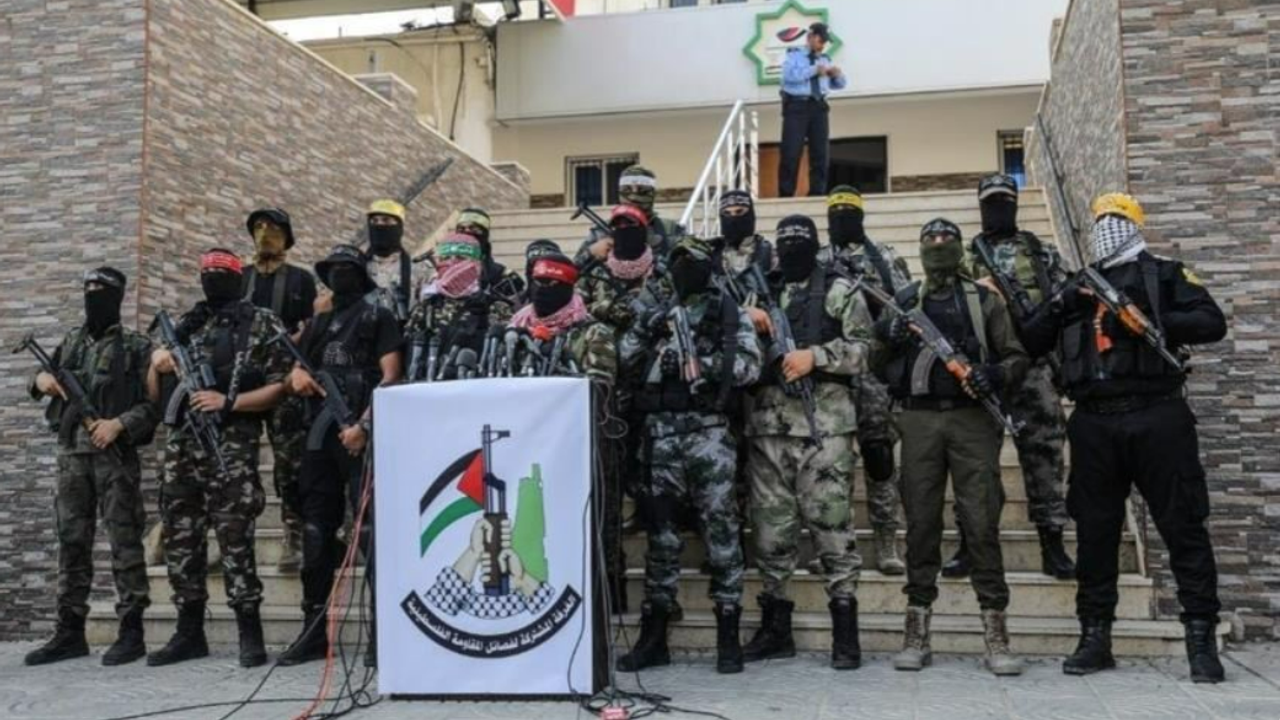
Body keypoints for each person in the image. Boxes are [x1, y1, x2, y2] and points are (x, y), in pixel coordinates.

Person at [1020, 193, 1227, 683]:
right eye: (1100, 221)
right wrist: (1060, 303)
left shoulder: (1165, 274)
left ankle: (1200, 639)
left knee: (1183, 526)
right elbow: (1031, 339)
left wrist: (1148, 321)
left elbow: (1211, 322)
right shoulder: (1079, 283)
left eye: (1116, 219)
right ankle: (1095, 637)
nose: (1106, 228)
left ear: (1134, 225)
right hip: (1094, 423)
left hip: (1158, 415)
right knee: (1096, 534)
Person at [872, 219, 1028, 676]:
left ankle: (996, 633)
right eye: (930, 240)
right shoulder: (905, 300)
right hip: (918, 421)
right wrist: (890, 338)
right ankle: (916, 631)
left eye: (947, 240)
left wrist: (993, 375)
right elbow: (874, 361)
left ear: (960, 247)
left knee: (981, 522)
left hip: (972, 421)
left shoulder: (983, 300)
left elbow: (1016, 356)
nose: (938, 246)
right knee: (921, 523)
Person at [617, 236, 762, 674]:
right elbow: (625, 359)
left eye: (692, 262)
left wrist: (699, 362)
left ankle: (727, 633)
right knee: (661, 537)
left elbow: (750, 366)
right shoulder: (657, 309)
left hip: (708, 434)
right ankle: (655, 635)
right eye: (677, 261)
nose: (683, 269)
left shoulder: (728, 312)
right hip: (660, 436)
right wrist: (649, 328)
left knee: (721, 531)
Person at [146, 248, 290, 668]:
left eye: (221, 272)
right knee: (180, 537)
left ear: (238, 277)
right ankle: (189, 631)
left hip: (232, 446)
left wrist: (229, 402)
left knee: (235, 536)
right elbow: (155, 399)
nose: (212, 278)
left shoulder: (261, 322)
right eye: (206, 272)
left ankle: (249, 630)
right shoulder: (186, 325)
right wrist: (156, 365)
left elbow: (282, 386)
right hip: (181, 449)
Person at [741, 215, 871, 671]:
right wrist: (745, 321)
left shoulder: (839, 290)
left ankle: (845, 633)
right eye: (784, 241)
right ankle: (776, 630)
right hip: (769, 429)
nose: (791, 248)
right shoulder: (760, 292)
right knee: (771, 534)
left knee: (832, 530)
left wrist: (814, 356)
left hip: (824, 429)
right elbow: (732, 347)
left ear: (815, 245)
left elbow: (865, 350)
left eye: (800, 241)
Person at [23, 268, 158, 667]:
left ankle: (131, 631)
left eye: (100, 289)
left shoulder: (136, 346)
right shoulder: (71, 342)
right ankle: (69, 632)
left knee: (124, 541)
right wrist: (40, 381)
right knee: (71, 541)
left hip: (114, 456)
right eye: (88, 289)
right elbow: (43, 377)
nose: (92, 295)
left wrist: (119, 424)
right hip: (72, 456)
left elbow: (154, 405)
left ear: (117, 296)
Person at [277, 245, 403, 667]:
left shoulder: (377, 317)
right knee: (315, 532)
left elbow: (391, 378)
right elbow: (292, 369)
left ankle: (383, 634)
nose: (339, 276)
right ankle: (314, 631)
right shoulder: (318, 324)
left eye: (347, 269)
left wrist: (363, 425)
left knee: (369, 533)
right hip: (319, 440)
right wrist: (296, 375)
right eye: (333, 270)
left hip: (360, 436)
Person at [949, 174, 1074, 580]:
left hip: (1034, 368)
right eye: (991, 201)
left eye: (1004, 200)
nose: (998, 208)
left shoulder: (1041, 252)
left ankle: (1052, 544)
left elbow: (1067, 302)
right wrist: (976, 291)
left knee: (1044, 455)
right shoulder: (965, 257)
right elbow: (944, 306)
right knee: (974, 463)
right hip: (986, 371)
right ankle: (971, 543)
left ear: (1016, 203)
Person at [820, 186, 908, 575]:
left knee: (879, 455)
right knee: (831, 460)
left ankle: (887, 540)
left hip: (875, 373)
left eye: (848, 212)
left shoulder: (884, 257)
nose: (841, 218)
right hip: (833, 371)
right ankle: (834, 543)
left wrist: (882, 313)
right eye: (835, 212)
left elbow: (907, 308)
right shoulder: (818, 259)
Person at [241, 208, 317, 573]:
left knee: (289, 463)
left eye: (272, 227)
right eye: (258, 227)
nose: (264, 233)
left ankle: (294, 533)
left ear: (287, 236)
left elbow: (311, 325)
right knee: (235, 465)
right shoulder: (241, 278)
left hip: (284, 377)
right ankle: (235, 536)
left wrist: (295, 347)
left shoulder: (300, 279)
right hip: (242, 377)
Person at [403, 233, 496, 382]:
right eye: (446, 258)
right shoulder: (427, 305)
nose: (452, 263)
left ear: (477, 263)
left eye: (460, 258)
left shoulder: (493, 306)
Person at [778, 23, 846, 198]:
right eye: (821, 40)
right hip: (797, 106)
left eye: (825, 41)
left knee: (820, 152)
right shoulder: (793, 55)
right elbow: (788, 77)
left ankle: (817, 193)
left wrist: (837, 75)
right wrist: (814, 70)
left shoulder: (825, 59)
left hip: (819, 106)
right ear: (810, 37)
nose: (823, 44)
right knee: (791, 151)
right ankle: (786, 194)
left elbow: (839, 85)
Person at [575, 165, 684, 268]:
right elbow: (574, 270)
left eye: (642, 191)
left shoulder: (671, 230)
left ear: (652, 193)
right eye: (626, 190)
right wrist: (591, 252)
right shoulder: (600, 232)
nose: (633, 197)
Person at [454, 207, 525, 324]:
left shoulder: (503, 276)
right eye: (461, 229)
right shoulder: (439, 275)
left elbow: (516, 316)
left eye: (473, 228)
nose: (466, 231)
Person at [363, 199, 419, 326]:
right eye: (374, 221)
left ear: (398, 227)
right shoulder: (357, 266)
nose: (379, 225)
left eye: (386, 220)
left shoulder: (417, 270)